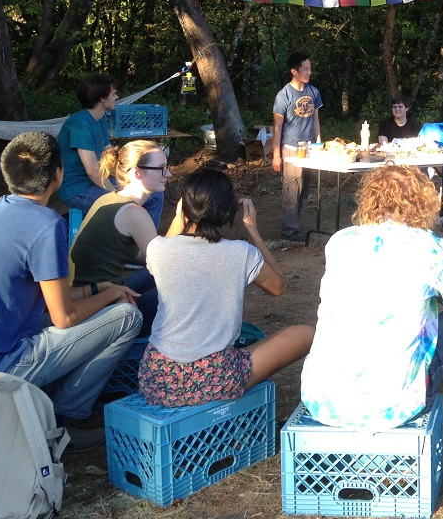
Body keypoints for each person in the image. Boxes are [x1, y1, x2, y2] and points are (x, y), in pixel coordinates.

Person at [0, 132, 141, 450]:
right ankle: (64, 418)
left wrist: (97, 288)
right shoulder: (45, 225)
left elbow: (37, 298)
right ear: (58, 174)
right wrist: (110, 295)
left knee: (108, 302)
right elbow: (63, 317)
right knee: (126, 316)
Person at [300, 164, 443, 445]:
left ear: (369, 199)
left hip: (324, 397)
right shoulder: (428, 247)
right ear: (421, 202)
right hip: (394, 403)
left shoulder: (339, 241)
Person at [138, 169, 314, 407]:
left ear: (183, 207)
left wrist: (182, 216)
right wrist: (253, 231)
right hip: (215, 377)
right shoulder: (241, 252)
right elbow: (278, 286)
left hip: (158, 378)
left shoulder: (157, 249)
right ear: (227, 211)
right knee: (305, 333)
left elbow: (171, 242)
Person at [70, 140, 169, 336]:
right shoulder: (134, 213)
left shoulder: (108, 198)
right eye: (161, 169)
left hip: (90, 294)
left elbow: (141, 256)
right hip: (101, 310)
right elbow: (167, 266)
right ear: (137, 173)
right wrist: (182, 221)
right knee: (189, 289)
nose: (169, 174)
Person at [58, 72, 165, 229]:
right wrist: (116, 193)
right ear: (102, 98)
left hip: (97, 182)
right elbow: (93, 170)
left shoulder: (99, 119)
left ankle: (145, 241)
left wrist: (129, 177)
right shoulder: (80, 124)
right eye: (113, 93)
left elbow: (111, 156)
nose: (116, 97)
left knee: (154, 194)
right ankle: (131, 240)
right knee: (127, 204)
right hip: (77, 188)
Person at [272, 52, 323, 241]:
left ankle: (295, 225)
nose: (309, 72)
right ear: (294, 71)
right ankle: (289, 232)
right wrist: (277, 155)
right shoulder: (283, 95)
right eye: (305, 69)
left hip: (310, 148)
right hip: (291, 148)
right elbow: (277, 128)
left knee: (305, 189)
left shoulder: (313, 92)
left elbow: (316, 121)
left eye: (310, 68)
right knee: (292, 189)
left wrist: (319, 144)